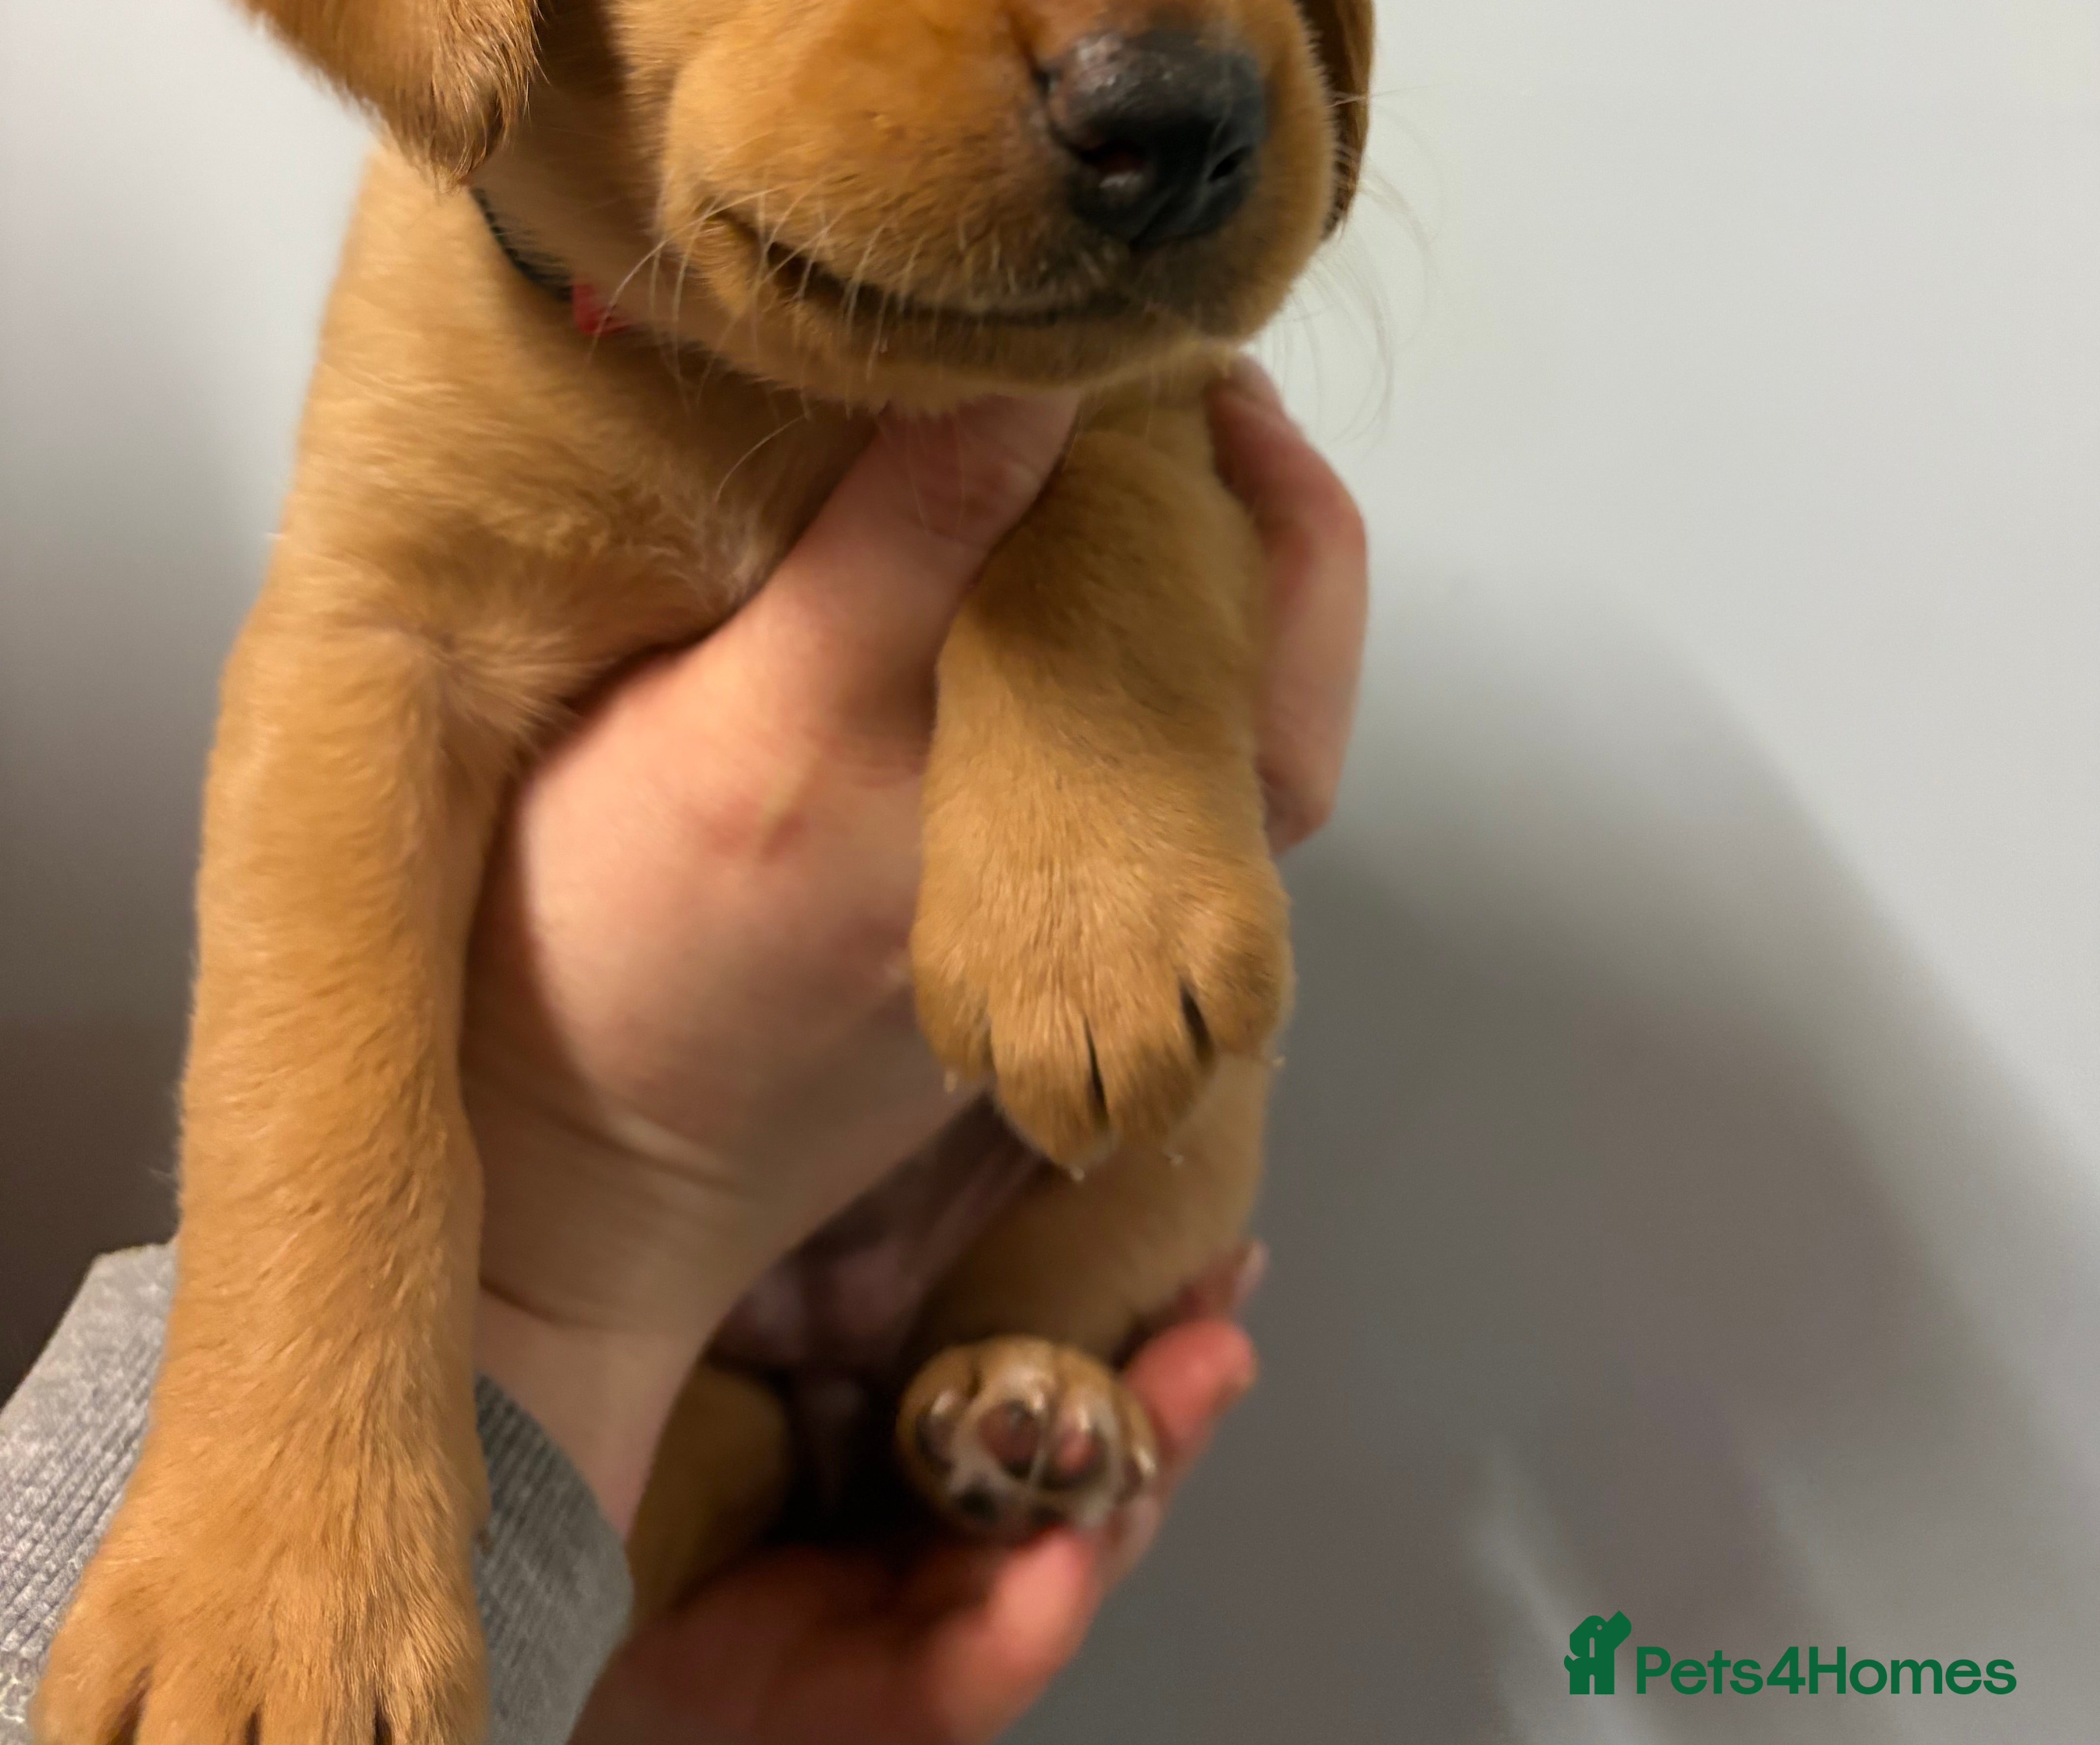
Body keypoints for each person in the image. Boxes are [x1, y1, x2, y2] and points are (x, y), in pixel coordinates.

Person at [0, 362, 1367, 1745]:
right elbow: (376, 668)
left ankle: (1002, 1365)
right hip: (617, 1379)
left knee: (1160, 1119)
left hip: (959, 1242)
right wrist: (541, 1267)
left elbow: (1144, 444)